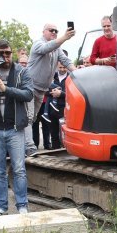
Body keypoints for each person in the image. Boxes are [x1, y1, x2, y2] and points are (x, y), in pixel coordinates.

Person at [0, 39, 34, 217]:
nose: (4, 57)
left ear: (12, 53)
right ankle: (1, 207)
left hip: (15, 128)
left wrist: (6, 88)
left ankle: (22, 205)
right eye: (1, 53)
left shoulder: (21, 71)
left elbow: (28, 94)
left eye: (7, 53)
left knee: (18, 168)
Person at [25, 23, 76, 156]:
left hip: (41, 89)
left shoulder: (57, 48)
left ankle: (25, 144)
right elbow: (47, 48)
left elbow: (65, 60)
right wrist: (64, 37)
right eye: (51, 30)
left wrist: (77, 73)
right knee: (29, 118)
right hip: (30, 87)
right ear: (43, 31)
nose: (54, 32)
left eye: (56, 31)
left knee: (33, 117)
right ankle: (29, 148)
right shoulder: (38, 43)